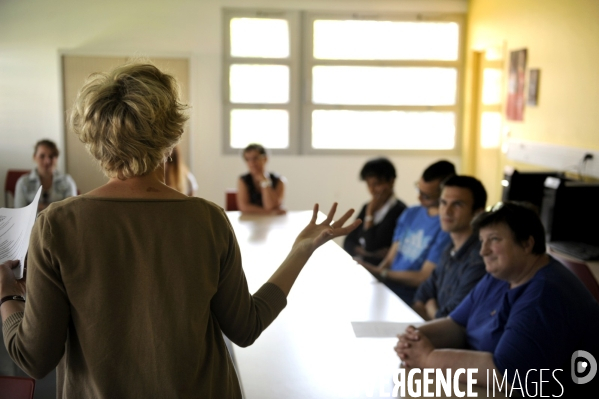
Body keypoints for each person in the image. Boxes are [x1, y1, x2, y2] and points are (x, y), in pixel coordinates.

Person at [0, 63, 360, 399]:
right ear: (170, 135)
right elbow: (245, 327)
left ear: (93, 138)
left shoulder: (56, 225)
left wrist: (8, 295)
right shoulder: (208, 220)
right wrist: (301, 251)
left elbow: (34, 358)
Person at [395, 202, 599, 396]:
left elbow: (505, 375)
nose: (483, 251)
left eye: (494, 240)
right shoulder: (501, 275)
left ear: (527, 243)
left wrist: (428, 358)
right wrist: (415, 337)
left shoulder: (545, 294)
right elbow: (456, 324)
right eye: (482, 241)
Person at [356, 160, 455, 304]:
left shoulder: (445, 226)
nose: (419, 198)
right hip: (386, 289)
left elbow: (423, 277)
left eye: (426, 196)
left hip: (409, 298)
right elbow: (390, 260)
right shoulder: (410, 213)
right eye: (418, 190)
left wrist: (381, 273)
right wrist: (376, 277)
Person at [412, 175, 487, 320]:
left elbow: (451, 318)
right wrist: (429, 308)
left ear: (478, 212)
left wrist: (431, 308)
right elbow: (423, 293)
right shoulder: (450, 248)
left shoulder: (480, 258)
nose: (446, 211)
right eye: (443, 203)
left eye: (457, 204)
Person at [343, 158, 407, 265]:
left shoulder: (401, 211)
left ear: (391, 181)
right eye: (368, 185)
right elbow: (348, 242)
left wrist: (370, 215)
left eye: (377, 184)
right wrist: (369, 254)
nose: (372, 190)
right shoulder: (366, 207)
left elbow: (371, 245)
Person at [14, 139, 77, 211]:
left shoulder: (67, 181)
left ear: (56, 158)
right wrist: (56, 207)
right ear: (35, 157)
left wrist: (40, 207)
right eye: (42, 156)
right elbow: (19, 212)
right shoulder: (23, 182)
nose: (47, 161)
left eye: (51, 156)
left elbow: (71, 210)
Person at [237, 143, 286, 214]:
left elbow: (270, 205)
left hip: (272, 221)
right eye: (248, 159)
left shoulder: (279, 180)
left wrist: (265, 182)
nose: (252, 163)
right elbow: (244, 207)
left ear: (265, 159)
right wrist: (271, 213)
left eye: (255, 158)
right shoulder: (243, 180)